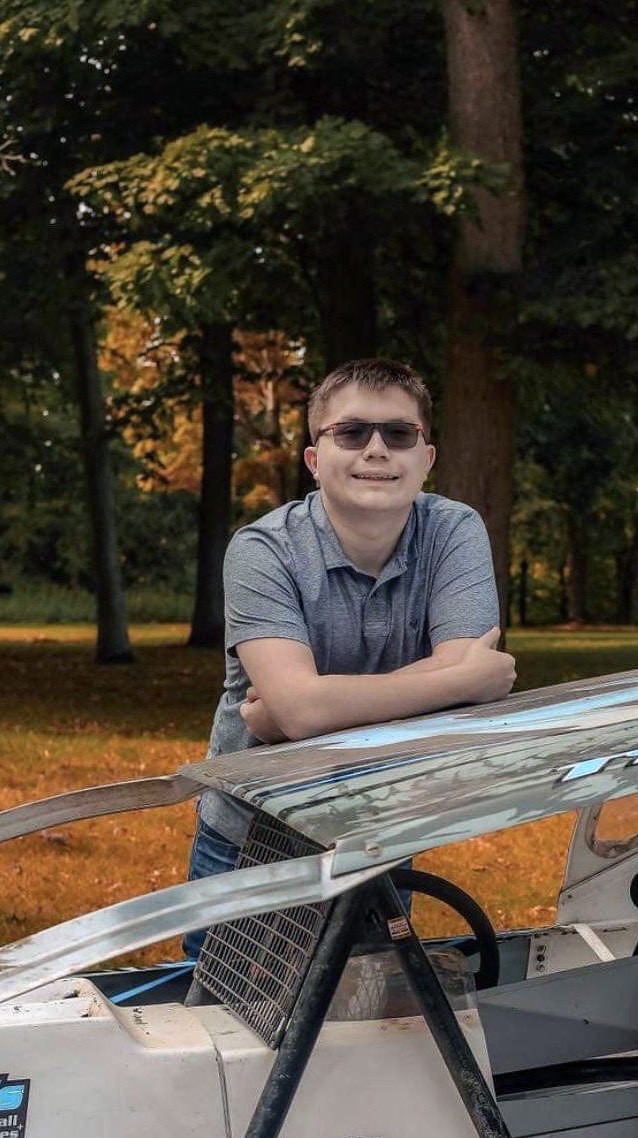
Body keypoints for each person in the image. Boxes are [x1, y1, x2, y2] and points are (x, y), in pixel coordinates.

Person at [183, 357, 516, 960]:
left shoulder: (454, 531)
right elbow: (310, 708)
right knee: (223, 1026)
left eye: (398, 433)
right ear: (315, 459)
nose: (377, 450)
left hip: (377, 828)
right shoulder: (262, 550)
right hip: (253, 836)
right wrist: (456, 677)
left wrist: (295, 712)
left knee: (362, 1023)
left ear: (426, 457)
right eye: (352, 432)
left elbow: (301, 712)